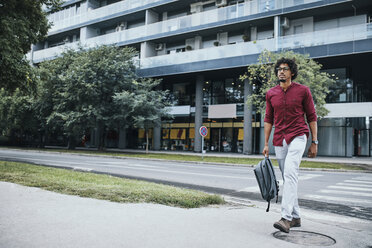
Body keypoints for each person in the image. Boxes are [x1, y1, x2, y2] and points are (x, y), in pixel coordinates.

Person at [262, 57, 318, 233]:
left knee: (290, 172)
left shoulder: (303, 91)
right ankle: (296, 216)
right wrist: (266, 143)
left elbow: (311, 116)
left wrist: (314, 141)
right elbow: (269, 119)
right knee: (287, 178)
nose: (281, 71)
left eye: (285, 68)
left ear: (292, 72)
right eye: (279, 69)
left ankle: (285, 218)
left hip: (298, 135)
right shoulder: (271, 93)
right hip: (279, 139)